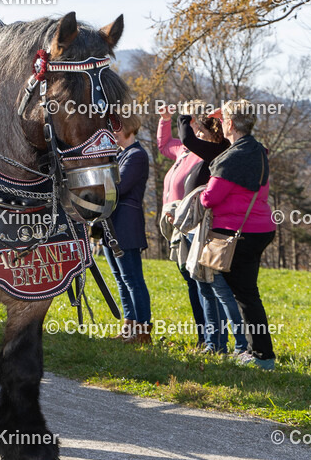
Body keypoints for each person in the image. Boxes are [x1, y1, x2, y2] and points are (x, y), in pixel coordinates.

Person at [200, 99, 277, 370]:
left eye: (223, 121)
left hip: (239, 233)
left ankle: (262, 356)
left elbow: (210, 198)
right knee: (247, 293)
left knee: (245, 295)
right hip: (260, 228)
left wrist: (200, 195)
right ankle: (256, 351)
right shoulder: (258, 151)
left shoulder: (233, 158)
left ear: (231, 124)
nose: (220, 125)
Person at [178, 108, 248, 355]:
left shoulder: (218, 152)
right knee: (204, 286)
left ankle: (239, 345)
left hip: (210, 229)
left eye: (202, 130)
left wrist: (184, 117)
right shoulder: (214, 152)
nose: (198, 133)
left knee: (218, 289)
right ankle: (214, 344)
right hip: (198, 229)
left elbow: (186, 138)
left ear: (213, 132)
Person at [158, 102, 209, 346]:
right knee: (190, 280)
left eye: (191, 121)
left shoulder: (202, 148)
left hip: (191, 223)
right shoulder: (183, 150)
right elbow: (163, 145)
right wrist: (165, 120)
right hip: (178, 224)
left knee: (198, 281)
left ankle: (210, 338)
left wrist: (184, 117)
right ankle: (204, 337)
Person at [104, 114, 152, 344]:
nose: (112, 133)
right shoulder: (119, 155)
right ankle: (129, 326)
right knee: (121, 279)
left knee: (132, 279)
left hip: (126, 224)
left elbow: (118, 187)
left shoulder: (137, 155)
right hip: (111, 224)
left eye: (116, 128)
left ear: (129, 129)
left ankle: (142, 331)